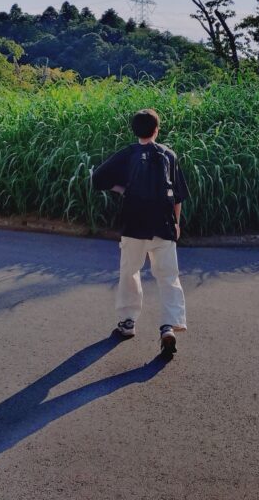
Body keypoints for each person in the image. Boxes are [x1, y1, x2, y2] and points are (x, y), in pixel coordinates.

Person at [91, 108, 189, 357]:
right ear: (157, 130)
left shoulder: (128, 153)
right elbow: (178, 196)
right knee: (168, 277)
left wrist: (123, 189)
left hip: (133, 224)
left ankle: (128, 322)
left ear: (134, 130)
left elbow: (98, 178)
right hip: (163, 224)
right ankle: (169, 326)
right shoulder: (169, 154)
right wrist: (176, 223)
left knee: (130, 272)